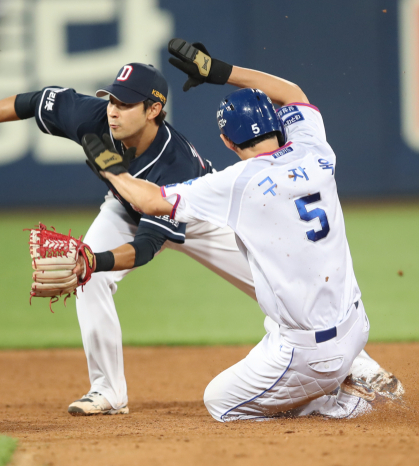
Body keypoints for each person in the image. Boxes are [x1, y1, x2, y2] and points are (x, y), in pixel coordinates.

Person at [0, 59, 401, 417]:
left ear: (153, 109)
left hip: (203, 218)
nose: (112, 109)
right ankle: (108, 391)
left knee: (280, 285)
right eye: (111, 99)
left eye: (125, 103)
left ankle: (359, 365)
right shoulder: (92, 117)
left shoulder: (175, 163)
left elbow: (147, 246)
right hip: (127, 206)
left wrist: (96, 259)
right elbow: (34, 101)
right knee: (92, 282)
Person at [82, 41, 387, 420]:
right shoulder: (315, 149)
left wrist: (111, 168)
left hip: (311, 353)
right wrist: (220, 71)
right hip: (357, 327)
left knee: (220, 403)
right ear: (279, 124)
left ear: (227, 141)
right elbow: (291, 92)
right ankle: (359, 372)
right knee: (278, 324)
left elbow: (150, 202)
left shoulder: (237, 183)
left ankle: (336, 402)